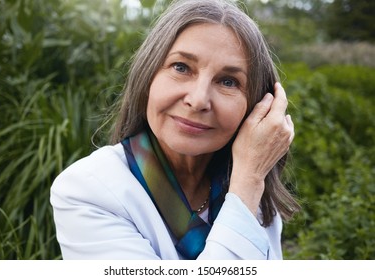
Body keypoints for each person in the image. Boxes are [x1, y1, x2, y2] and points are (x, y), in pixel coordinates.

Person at [50, 0, 300, 260]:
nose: (198, 99)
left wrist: (248, 182)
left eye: (228, 81)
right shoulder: (88, 192)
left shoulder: (252, 192)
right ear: (147, 77)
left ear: (259, 106)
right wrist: (248, 182)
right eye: (181, 67)